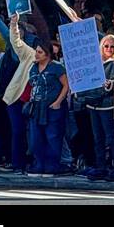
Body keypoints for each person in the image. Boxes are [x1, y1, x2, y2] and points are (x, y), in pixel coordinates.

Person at [82, 35, 114, 182]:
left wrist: (109, 84)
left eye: (112, 46)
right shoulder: (95, 63)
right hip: (93, 104)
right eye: (106, 46)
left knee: (111, 138)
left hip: (107, 105)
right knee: (98, 138)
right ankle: (101, 167)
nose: (109, 49)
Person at [25, 38, 70, 177]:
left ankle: (52, 165)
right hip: (37, 107)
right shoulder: (33, 67)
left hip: (52, 107)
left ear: (47, 54)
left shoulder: (56, 67)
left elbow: (66, 85)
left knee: (52, 136)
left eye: (40, 52)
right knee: (36, 136)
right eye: (36, 52)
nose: (37, 54)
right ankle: (39, 164)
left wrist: (58, 102)